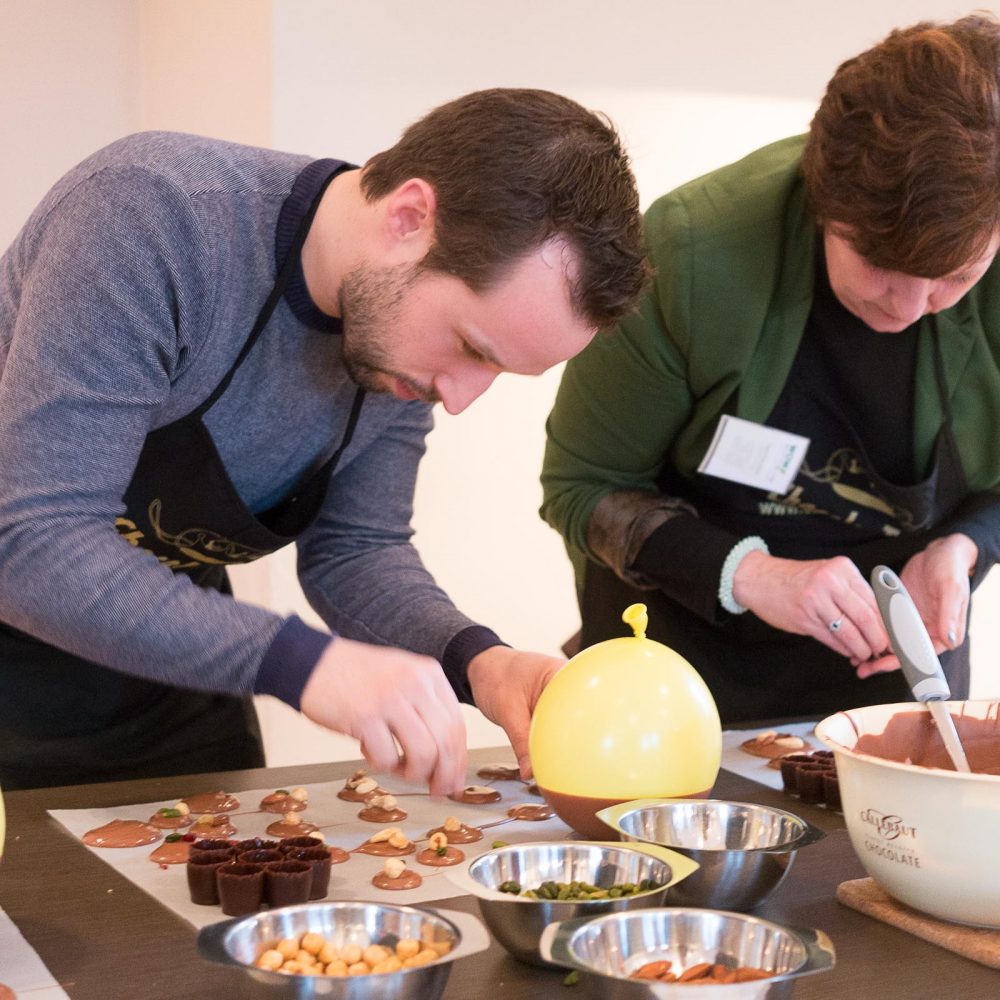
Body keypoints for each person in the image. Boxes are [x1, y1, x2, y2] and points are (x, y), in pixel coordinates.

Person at [0, 88, 648, 790]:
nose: (460, 398)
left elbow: (355, 551)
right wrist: (303, 663)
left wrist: (477, 661)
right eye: (471, 347)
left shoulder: (395, 353)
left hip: (170, 689)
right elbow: (33, 538)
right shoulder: (154, 214)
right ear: (408, 217)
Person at [541, 15, 1000, 723]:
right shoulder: (692, 254)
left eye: (956, 276)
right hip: (675, 667)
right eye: (879, 264)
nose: (910, 307)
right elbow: (582, 487)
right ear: (823, 201)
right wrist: (750, 574)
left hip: (890, 670)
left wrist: (965, 547)